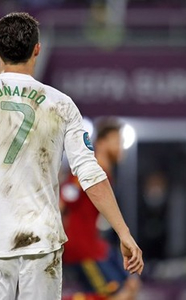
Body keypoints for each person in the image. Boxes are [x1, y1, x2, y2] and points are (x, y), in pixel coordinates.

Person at [0, 12, 143, 300]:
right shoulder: (61, 105)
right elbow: (90, 173)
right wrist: (124, 233)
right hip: (41, 243)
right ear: (37, 49)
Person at [60, 118, 141, 300]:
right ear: (101, 143)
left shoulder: (106, 174)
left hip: (96, 245)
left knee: (132, 285)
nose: (121, 147)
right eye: (117, 141)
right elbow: (63, 201)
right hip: (82, 247)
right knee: (116, 294)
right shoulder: (88, 172)